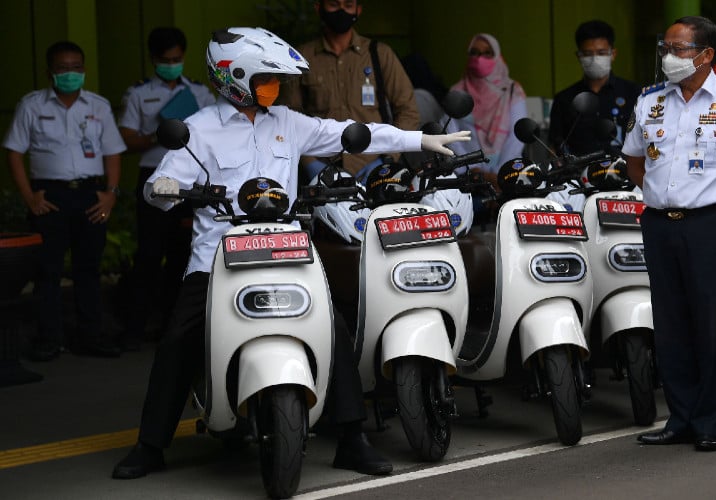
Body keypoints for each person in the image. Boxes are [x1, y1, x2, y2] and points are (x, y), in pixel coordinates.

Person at [111, 27, 469, 480]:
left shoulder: (287, 122)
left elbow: (349, 133)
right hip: (219, 257)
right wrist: (164, 189)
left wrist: (417, 141)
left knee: (334, 329)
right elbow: (158, 189)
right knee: (179, 338)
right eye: (266, 80)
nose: (275, 88)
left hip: (287, 251)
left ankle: (352, 440)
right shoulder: (197, 131)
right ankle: (150, 445)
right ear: (233, 78)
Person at [623, 16, 716, 451]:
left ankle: (711, 421)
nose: (669, 57)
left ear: (707, 55)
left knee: (711, 324)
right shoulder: (650, 101)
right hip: (659, 224)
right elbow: (636, 162)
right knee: (671, 325)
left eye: (679, 49)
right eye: (665, 47)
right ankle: (681, 417)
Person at [3, 41, 127, 362]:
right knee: (48, 271)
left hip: (91, 195)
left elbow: (113, 152)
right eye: (63, 68)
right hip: (49, 197)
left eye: (76, 67)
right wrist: (29, 197)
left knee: (89, 269)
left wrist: (111, 195)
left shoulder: (98, 106)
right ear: (50, 72)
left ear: (84, 70)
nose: (70, 73)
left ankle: (91, 336)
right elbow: (14, 152)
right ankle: (50, 339)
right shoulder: (31, 106)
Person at [117, 27, 216, 351]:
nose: (171, 64)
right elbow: (126, 138)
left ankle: (175, 329)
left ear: (183, 57)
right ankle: (134, 328)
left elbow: (215, 132)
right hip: (155, 176)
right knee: (149, 254)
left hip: (191, 179)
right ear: (153, 59)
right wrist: (159, 134)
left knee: (183, 254)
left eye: (176, 59)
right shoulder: (138, 93)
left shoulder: (200, 93)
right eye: (164, 60)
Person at [277, 0, 419, 181]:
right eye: (334, 5)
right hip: (322, 167)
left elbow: (408, 110)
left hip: (374, 166)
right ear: (318, 8)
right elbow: (286, 118)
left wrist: (388, 158)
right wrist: (309, 162)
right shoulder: (301, 58)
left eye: (348, 5)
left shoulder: (379, 54)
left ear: (358, 10)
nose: (341, 11)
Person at [548, 20, 640, 156]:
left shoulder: (633, 93)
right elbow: (554, 148)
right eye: (588, 54)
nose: (595, 59)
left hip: (623, 173)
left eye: (601, 53)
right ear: (579, 56)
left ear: (613, 54)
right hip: (578, 175)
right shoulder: (564, 99)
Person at [448, 33, 527, 184]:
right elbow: (451, 136)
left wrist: (500, 174)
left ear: (497, 56)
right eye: (474, 52)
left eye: (487, 53)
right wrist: (475, 170)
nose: (479, 58)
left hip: (509, 175)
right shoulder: (456, 93)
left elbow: (517, 136)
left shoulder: (512, 91)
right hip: (468, 177)